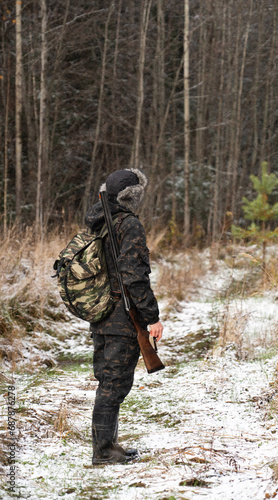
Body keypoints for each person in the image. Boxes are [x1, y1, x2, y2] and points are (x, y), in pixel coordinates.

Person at [84, 168, 163, 465]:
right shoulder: (128, 224)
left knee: (108, 381)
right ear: (133, 196)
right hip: (121, 317)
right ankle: (104, 451)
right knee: (114, 384)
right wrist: (152, 317)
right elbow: (135, 275)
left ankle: (108, 445)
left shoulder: (100, 224)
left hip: (101, 313)